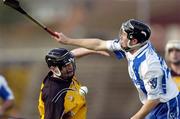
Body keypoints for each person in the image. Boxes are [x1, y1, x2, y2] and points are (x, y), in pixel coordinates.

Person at [52, 19, 180, 119]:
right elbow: (99, 44)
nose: (121, 37)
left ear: (134, 41)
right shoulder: (133, 47)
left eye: (124, 35)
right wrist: (68, 40)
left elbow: (154, 99)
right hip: (155, 105)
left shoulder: (149, 65)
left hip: (167, 106)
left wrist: (135, 117)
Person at [38, 47, 109, 119]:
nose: (70, 68)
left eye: (70, 63)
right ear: (54, 69)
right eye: (66, 66)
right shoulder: (54, 95)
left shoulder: (63, 75)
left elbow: (74, 54)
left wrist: (93, 50)